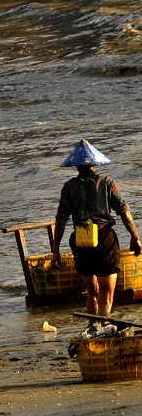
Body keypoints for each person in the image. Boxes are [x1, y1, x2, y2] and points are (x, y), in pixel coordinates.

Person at [52, 140, 141, 326]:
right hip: (104, 239)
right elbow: (124, 212)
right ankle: (103, 327)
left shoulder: (69, 187)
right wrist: (135, 237)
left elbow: (61, 220)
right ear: (95, 163)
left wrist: (55, 250)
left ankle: (93, 326)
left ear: (76, 166)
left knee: (92, 292)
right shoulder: (107, 183)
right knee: (106, 295)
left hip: (80, 239)